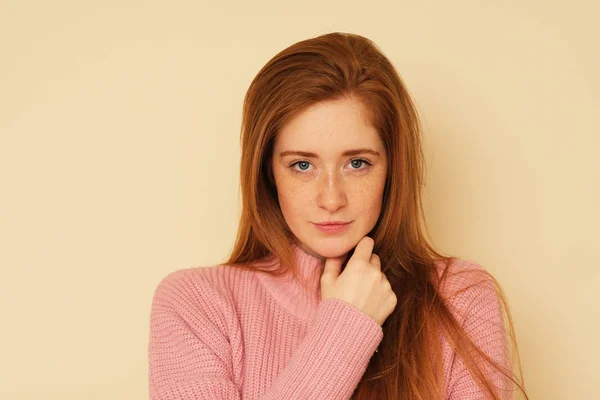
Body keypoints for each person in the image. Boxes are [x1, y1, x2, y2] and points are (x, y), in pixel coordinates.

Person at [147, 32, 528, 399]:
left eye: (357, 163)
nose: (331, 199)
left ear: (392, 169)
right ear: (267, 173)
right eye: (301, 165)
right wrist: (345, 327)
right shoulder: (196, 304)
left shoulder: (458, 298)